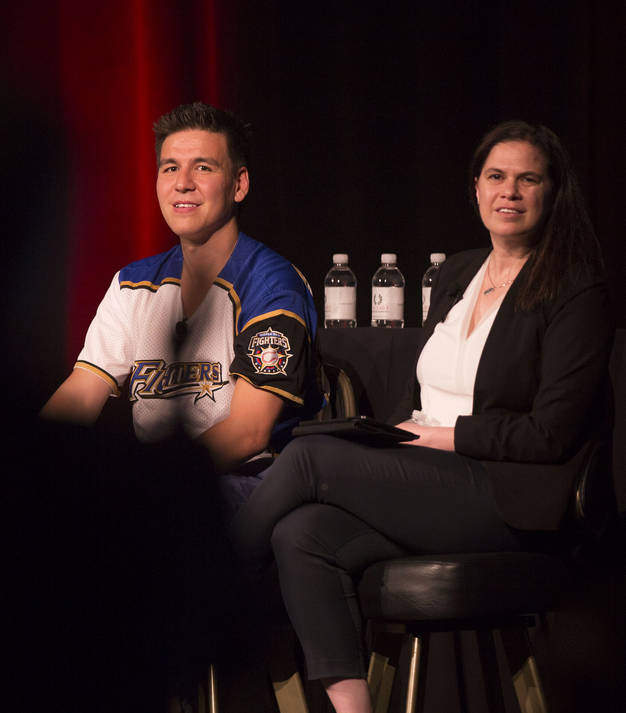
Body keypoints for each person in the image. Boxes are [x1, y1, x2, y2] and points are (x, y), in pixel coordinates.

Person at [228, 119, 612, 713]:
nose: (509, 192)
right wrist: (407, 434)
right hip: (432, 476)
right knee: (300, 533)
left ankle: (201, 582)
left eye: (528, 179)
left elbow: (551, 432)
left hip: (507, 495)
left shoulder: (577, 290)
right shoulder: (459, 272)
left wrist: (440, 435)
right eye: (496, 177)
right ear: (476, 188)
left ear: (553, 192)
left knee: (308, 458)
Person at [42, 101, 321, 486]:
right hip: (160, 489)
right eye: (170, 167)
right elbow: (80, 393)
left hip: (250, 482)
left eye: (203, 167)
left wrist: (146, 484)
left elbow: (248, 433)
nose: (182, 182)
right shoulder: (133, 283)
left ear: (239, 184)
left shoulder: (272, 284)